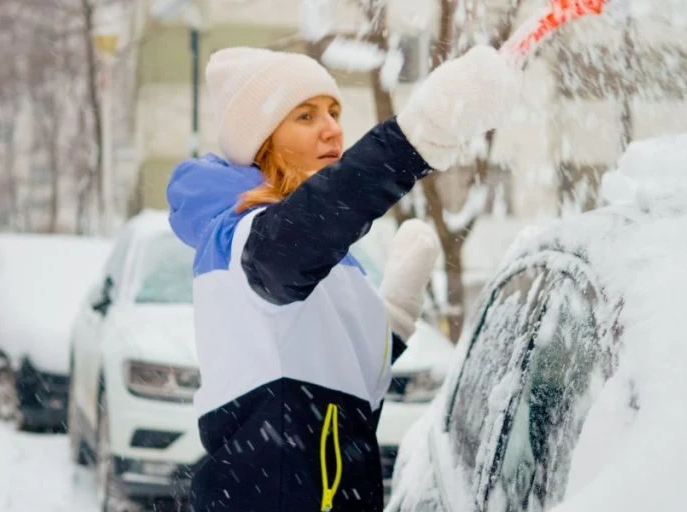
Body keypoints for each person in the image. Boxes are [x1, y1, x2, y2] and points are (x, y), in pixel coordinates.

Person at [166, 44, 519, 511]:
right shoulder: (239, 239)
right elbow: (291, 248)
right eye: (306, 116)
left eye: (333, 111)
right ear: (262, 142)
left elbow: (336, 390)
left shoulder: (324, 257)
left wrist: (391, 320)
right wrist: (418, 136)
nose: (332, 128)